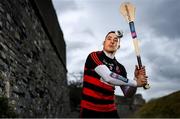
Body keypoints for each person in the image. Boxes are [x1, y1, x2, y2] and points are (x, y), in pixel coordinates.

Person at [80, 31, 148, 118]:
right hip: (89, 110)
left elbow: (128, 94)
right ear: (104, 43)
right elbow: (108, 76)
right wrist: (136, 83)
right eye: (109, 39)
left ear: (118, 46)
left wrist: (135, 78)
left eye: (115, 40)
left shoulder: (120, 68)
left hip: (110, 111)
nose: (112, 41)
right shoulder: (94, 56)